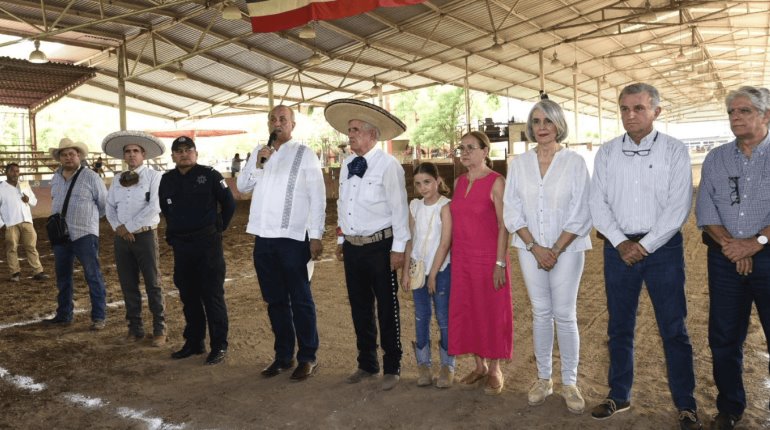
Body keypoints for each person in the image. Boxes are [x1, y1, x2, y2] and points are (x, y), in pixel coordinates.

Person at [588, 83, 702, 430]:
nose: (630, 115)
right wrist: (622, 242)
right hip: (618, 249)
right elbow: (597, 202)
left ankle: (685, 403)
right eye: (624, 108)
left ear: (656, 111)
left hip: (662, 249)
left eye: (638, 108)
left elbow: (679, 205)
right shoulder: (607, 153)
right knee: (620, 326)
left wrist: (645, 245)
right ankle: (618, 394)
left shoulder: (674, 151)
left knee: (673, 327)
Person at [503, 100, 591, 413]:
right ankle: (543, 379)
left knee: (565, 314)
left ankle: (569, 381)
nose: (542, 127)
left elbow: (581, 210)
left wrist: (554, 249)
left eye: (548, 121)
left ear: (558, 126)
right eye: (537, 121)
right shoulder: (519, 164)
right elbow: (511, 209)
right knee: (541, 312)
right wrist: (535, 247)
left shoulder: (575, 162)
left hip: (567, 249)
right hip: (530, 249)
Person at [695, 86, 770, 430]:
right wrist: (732, 245)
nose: (736, 118)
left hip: (766, 254)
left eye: (744, 111)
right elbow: (706, 209)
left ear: (765, 115)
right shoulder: (716, 158)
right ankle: (730, 407)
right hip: (725, 258)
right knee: (723, 336)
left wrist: (756, 242)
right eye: (731, 113)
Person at [325, 98, 409, 391]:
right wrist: (340, 238)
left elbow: (400, 210)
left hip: (380, 246)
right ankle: (367, 363)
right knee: (359, 306)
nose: (350, 135)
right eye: (349, 130)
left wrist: (399, 249)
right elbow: (342, 204)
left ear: (373, 135)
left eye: (356, 129)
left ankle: (393, 365)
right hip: (353, 246)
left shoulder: (389, 166)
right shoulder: (347, 164)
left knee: (387, 307)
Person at [237, 105, 325, 381]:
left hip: (294, 237)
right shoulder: (258, 152)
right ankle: (283, 356)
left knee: (300, 299)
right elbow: (243, 187)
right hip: (263, 237)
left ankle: (308, 356)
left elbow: (317, 196)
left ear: (293, 125)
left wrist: (317, 235)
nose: (277, 123)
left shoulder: (304, 154)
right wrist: (259, 161)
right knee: (274, 300)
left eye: (283, 119)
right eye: (273, 119)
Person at [159, 136, 235, 365]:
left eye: (188, 150)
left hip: (207, 246)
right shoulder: (167, 180)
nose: (184, 154)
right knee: (189, 296)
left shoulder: (210, 175)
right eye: (179, 151)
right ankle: (194, 342)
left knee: (212, 296)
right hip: (182, 247)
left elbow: (229, 203)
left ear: (196, 153)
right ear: (173, 156)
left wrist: (219, 227)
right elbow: (165, 208)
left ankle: (219, 345)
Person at [449, 130, 511, 396]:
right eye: (461, 147)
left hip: (488, 258)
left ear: (485, 151)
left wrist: (500, 262)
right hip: (462, 258)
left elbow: (503, 224)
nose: (464, 152)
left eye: (470, 147)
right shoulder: (459, 182)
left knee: (493, 310)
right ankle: (479, 365)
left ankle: (496, 368)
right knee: (469, 309)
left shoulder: (497, 181)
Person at [103, 131, 167, 347]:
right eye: (128, 152)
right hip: (122, 239)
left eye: (135, 151)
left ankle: (160, 328)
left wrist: (127, 227)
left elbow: (155, 206)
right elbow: (109, 207)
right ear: (124, 156)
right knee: (128, 284)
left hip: (146, 235)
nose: (131, 155)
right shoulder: (118, 179)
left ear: (143, 154)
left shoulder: (154, 176)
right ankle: (135, 327)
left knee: (152, 283)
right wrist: (119, 229)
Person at [44, 138, 108, 330]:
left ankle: (99, 317)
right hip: (61, 235)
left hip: (84, 233)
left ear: (79, 155)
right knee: (63, 277)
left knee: (92, 274)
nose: (68, 157)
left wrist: (88, 221)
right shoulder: (55, 178)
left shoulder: (91, 176)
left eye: (72, 153)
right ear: (60, 158)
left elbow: (103, 204)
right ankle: (64, 314)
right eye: (64, 154)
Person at [400, 162, 455, 388]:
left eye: (427, 182)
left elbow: (445, 243)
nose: (423, 187)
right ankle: (423, 365)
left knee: (443, 317)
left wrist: (433, 274)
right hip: (418, 270)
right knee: (421, 315)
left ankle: (447, 366)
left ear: (437, 181)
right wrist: (406, 272)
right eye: (418, 183)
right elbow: (411, 240)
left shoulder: (445, 206)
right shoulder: (414, 206)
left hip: (440, 270)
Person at [0, 163, 48, 282]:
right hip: (11, 222)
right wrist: (2, 223)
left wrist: (28, 199)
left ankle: (38, 271)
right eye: (12, 171)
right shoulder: (1, 188)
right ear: (6, 172)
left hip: (27, 221)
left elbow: (34, 202)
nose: (15, 173)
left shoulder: (24, 185)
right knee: (11, 247)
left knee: (31, 246)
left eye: (17, 171)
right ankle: (14, 273)